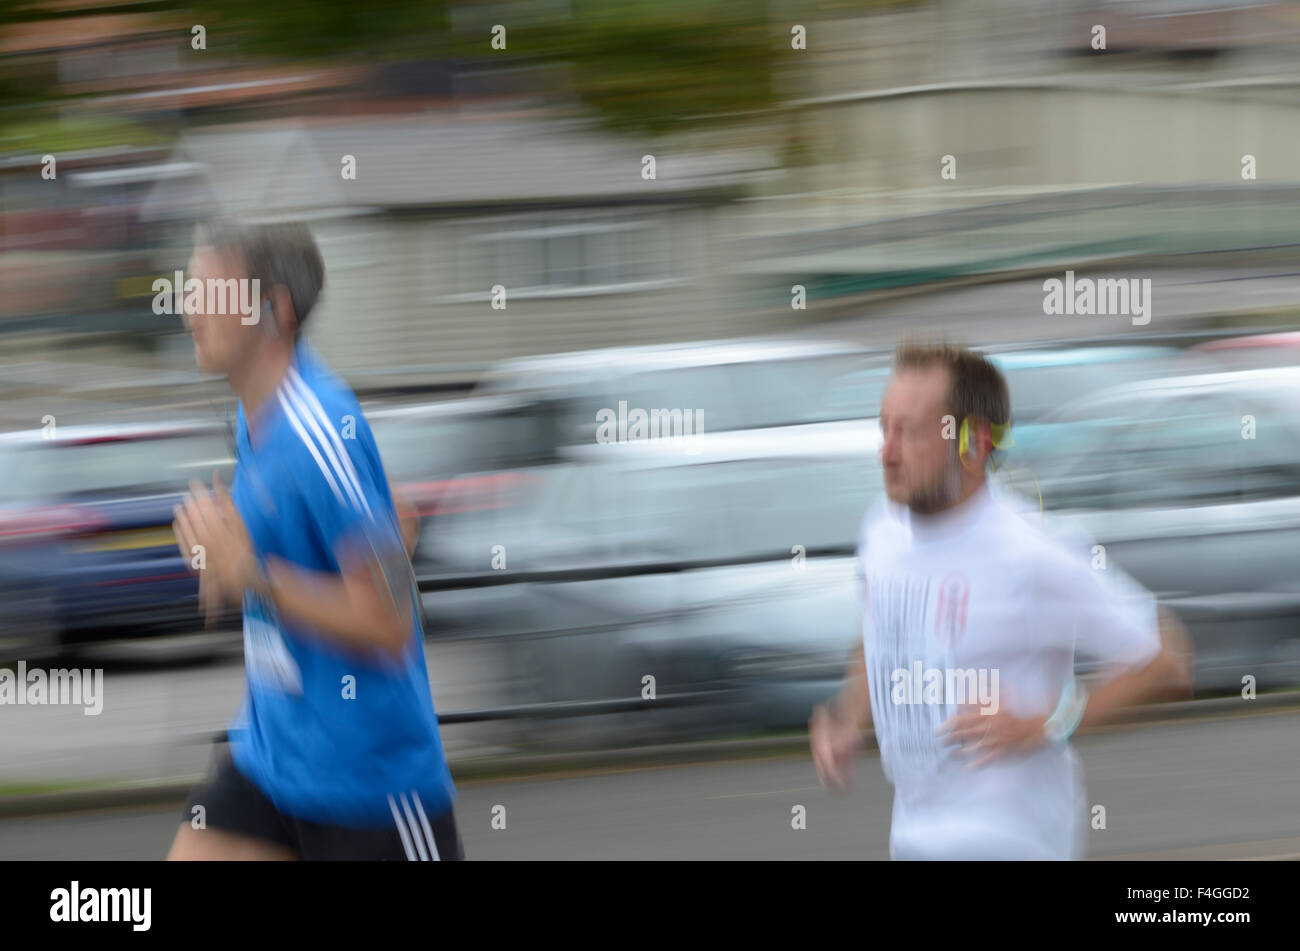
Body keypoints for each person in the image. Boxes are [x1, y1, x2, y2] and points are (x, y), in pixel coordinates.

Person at [810, 339, 1191, 860]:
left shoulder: (1034, 553)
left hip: (1014, 844)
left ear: (974, 443)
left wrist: (1051, 722)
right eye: (884, 427)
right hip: (912, 842)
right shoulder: (881, 530)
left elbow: (1167, 660)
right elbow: (880, 633)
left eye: (912, 432)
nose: (887, 452)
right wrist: (847, 718)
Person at [167, 220, 463, 860]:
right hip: (272, 761)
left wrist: (252, 573)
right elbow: (391, 518)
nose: (188, 308)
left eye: (208, 293)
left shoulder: (317, 428)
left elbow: (388, 619)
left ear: (272, 311)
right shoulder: (255, 416)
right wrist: (228, 562)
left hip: (370, 792)